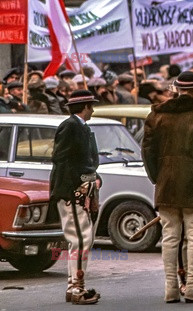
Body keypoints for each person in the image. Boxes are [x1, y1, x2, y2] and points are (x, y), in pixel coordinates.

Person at [142, 71, 193, 304]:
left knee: (170, 237)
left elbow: (147, 150)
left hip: (167, 183)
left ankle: (170, 289)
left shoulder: (157, 114)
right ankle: (192, 290)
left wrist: (157, 177)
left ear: (176, 89)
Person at [49, 90, 101, 304]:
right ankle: (77, 287)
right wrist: (78, 184)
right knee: (80, 239)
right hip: (72, 190)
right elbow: (62, 160)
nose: (93, 109)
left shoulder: (81, 127)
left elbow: (90, 160)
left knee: (82, 239)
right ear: (85, 107)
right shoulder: (70, 126)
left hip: (79, 187)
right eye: (91, 105)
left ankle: (74, 285)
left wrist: (92, 177)